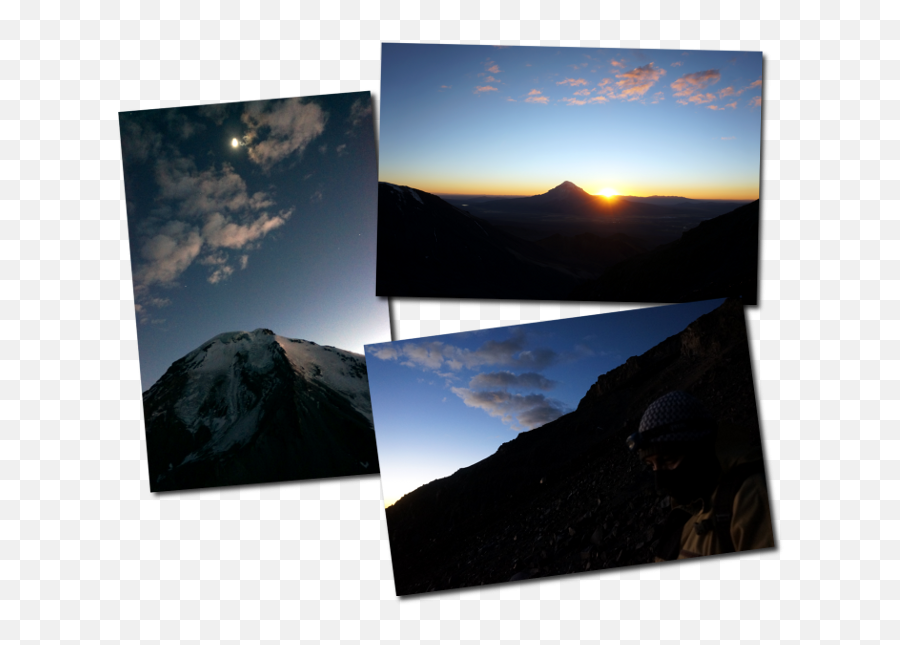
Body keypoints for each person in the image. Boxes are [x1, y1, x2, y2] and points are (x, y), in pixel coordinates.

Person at [627, 390, 774, 560]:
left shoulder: (751, 498)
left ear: (700, 448)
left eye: (669, 459)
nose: (659, 481)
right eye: (651, 465)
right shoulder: (689, 507)